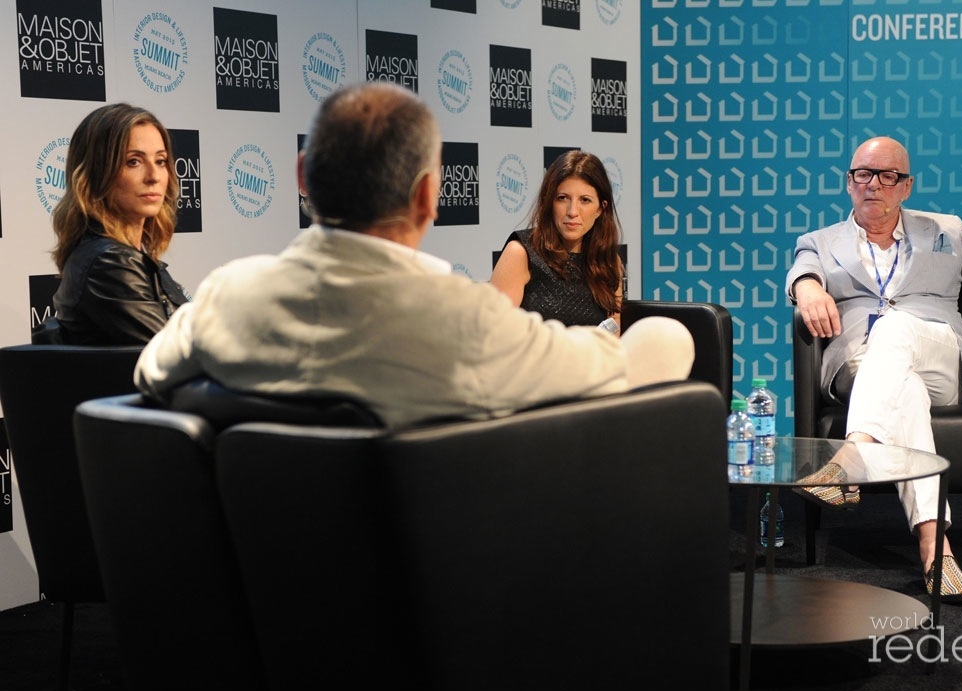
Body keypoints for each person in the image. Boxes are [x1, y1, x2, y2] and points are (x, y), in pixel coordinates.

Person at [133, 82, 694, 430]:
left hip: (265, 594)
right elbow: (640, 356)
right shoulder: (464, 323)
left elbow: (149, 373)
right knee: (671, 337)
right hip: (454, 592)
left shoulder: (226, 295)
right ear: (429, 196)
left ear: (303, 177)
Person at [786, 135, 962, 599]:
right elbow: (803, 270)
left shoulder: (946, 233)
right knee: (903, 390)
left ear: (906, 186)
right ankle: (936, 548)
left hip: (941, 359)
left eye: (887, 176)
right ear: (848, 182)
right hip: (859, 369)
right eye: (862, 174)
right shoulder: (820, 242)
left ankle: (851, 459)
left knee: (895, 328)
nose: (873, 184)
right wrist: (808, 289)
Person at [47, 102, 189, 345]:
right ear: (97, 173)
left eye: (161, 161)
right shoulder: (110, 263)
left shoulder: (124, 257)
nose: (153, 177)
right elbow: (180, 357)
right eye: (133, 162)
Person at [490, 150, 623, 331]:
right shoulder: (521, 254)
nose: (572, 211)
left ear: (601, 208)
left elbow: (611, 339)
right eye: (562, 198)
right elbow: (494, 336)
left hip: (591, 359)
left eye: (585, 200)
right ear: (549, 202)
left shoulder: (609, 262)